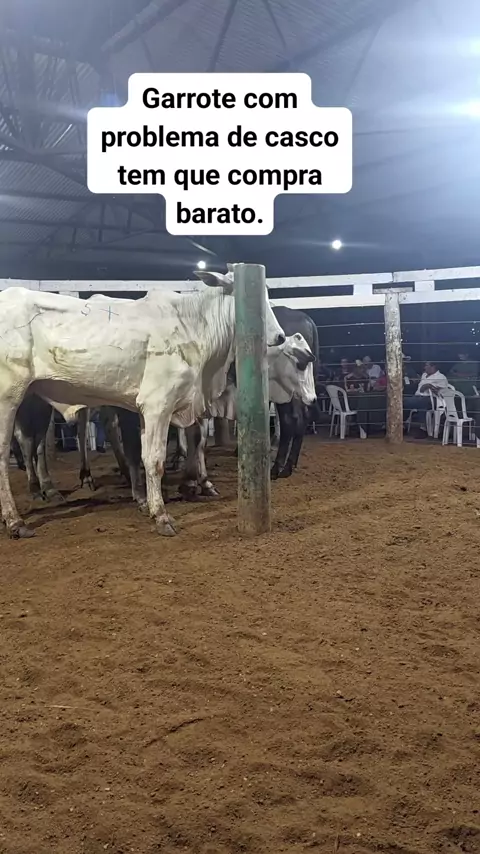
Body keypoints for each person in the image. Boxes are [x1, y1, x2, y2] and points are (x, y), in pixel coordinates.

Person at [403, 361, 449, 436]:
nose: (425, 367)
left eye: (426, 365)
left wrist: (430, 386)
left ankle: (423, 429)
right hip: (418, 397)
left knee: (422, 403)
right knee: (404, 402)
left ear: (433, 367)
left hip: (433, 399)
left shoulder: (441, 377)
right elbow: (420, 388)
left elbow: (442, 392)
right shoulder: (424, 375)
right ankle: (402, 425)